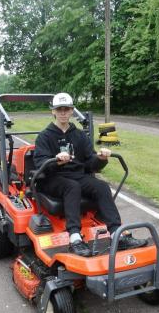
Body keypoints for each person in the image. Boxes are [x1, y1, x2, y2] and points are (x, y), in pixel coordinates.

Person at [34, 92, 147, 257]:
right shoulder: (44, 137)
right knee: (72, 187)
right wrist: (56, 161)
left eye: (66, 109)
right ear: (53, 111)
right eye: (59, 109)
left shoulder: (79, 135)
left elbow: (90, 163)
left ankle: (117, 234)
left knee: (101, 186)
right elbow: (40, 165)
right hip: (53, 177)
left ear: (72, 111)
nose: (63, 112)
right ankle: (74, 239)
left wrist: (101, 159)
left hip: (77, 175)